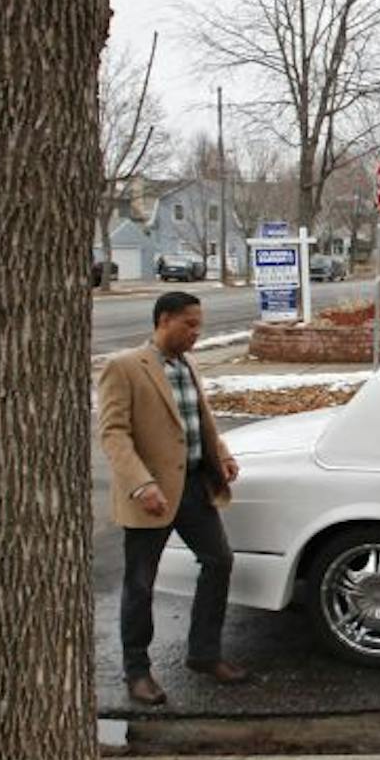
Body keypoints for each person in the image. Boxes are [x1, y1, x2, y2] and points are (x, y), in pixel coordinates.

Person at [97, 291, 249, 705]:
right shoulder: (125, 366)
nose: (197, 333)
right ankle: (137, 671)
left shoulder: (187, 364)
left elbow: (200, 420)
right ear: (164, 320)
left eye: (199, 325)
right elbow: (113, 433)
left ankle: (204, 654)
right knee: (140, 583)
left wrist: (222, 455)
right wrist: (141, 484)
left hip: (196, 488)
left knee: (219, 561)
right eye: (190, 324)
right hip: (152, 495)